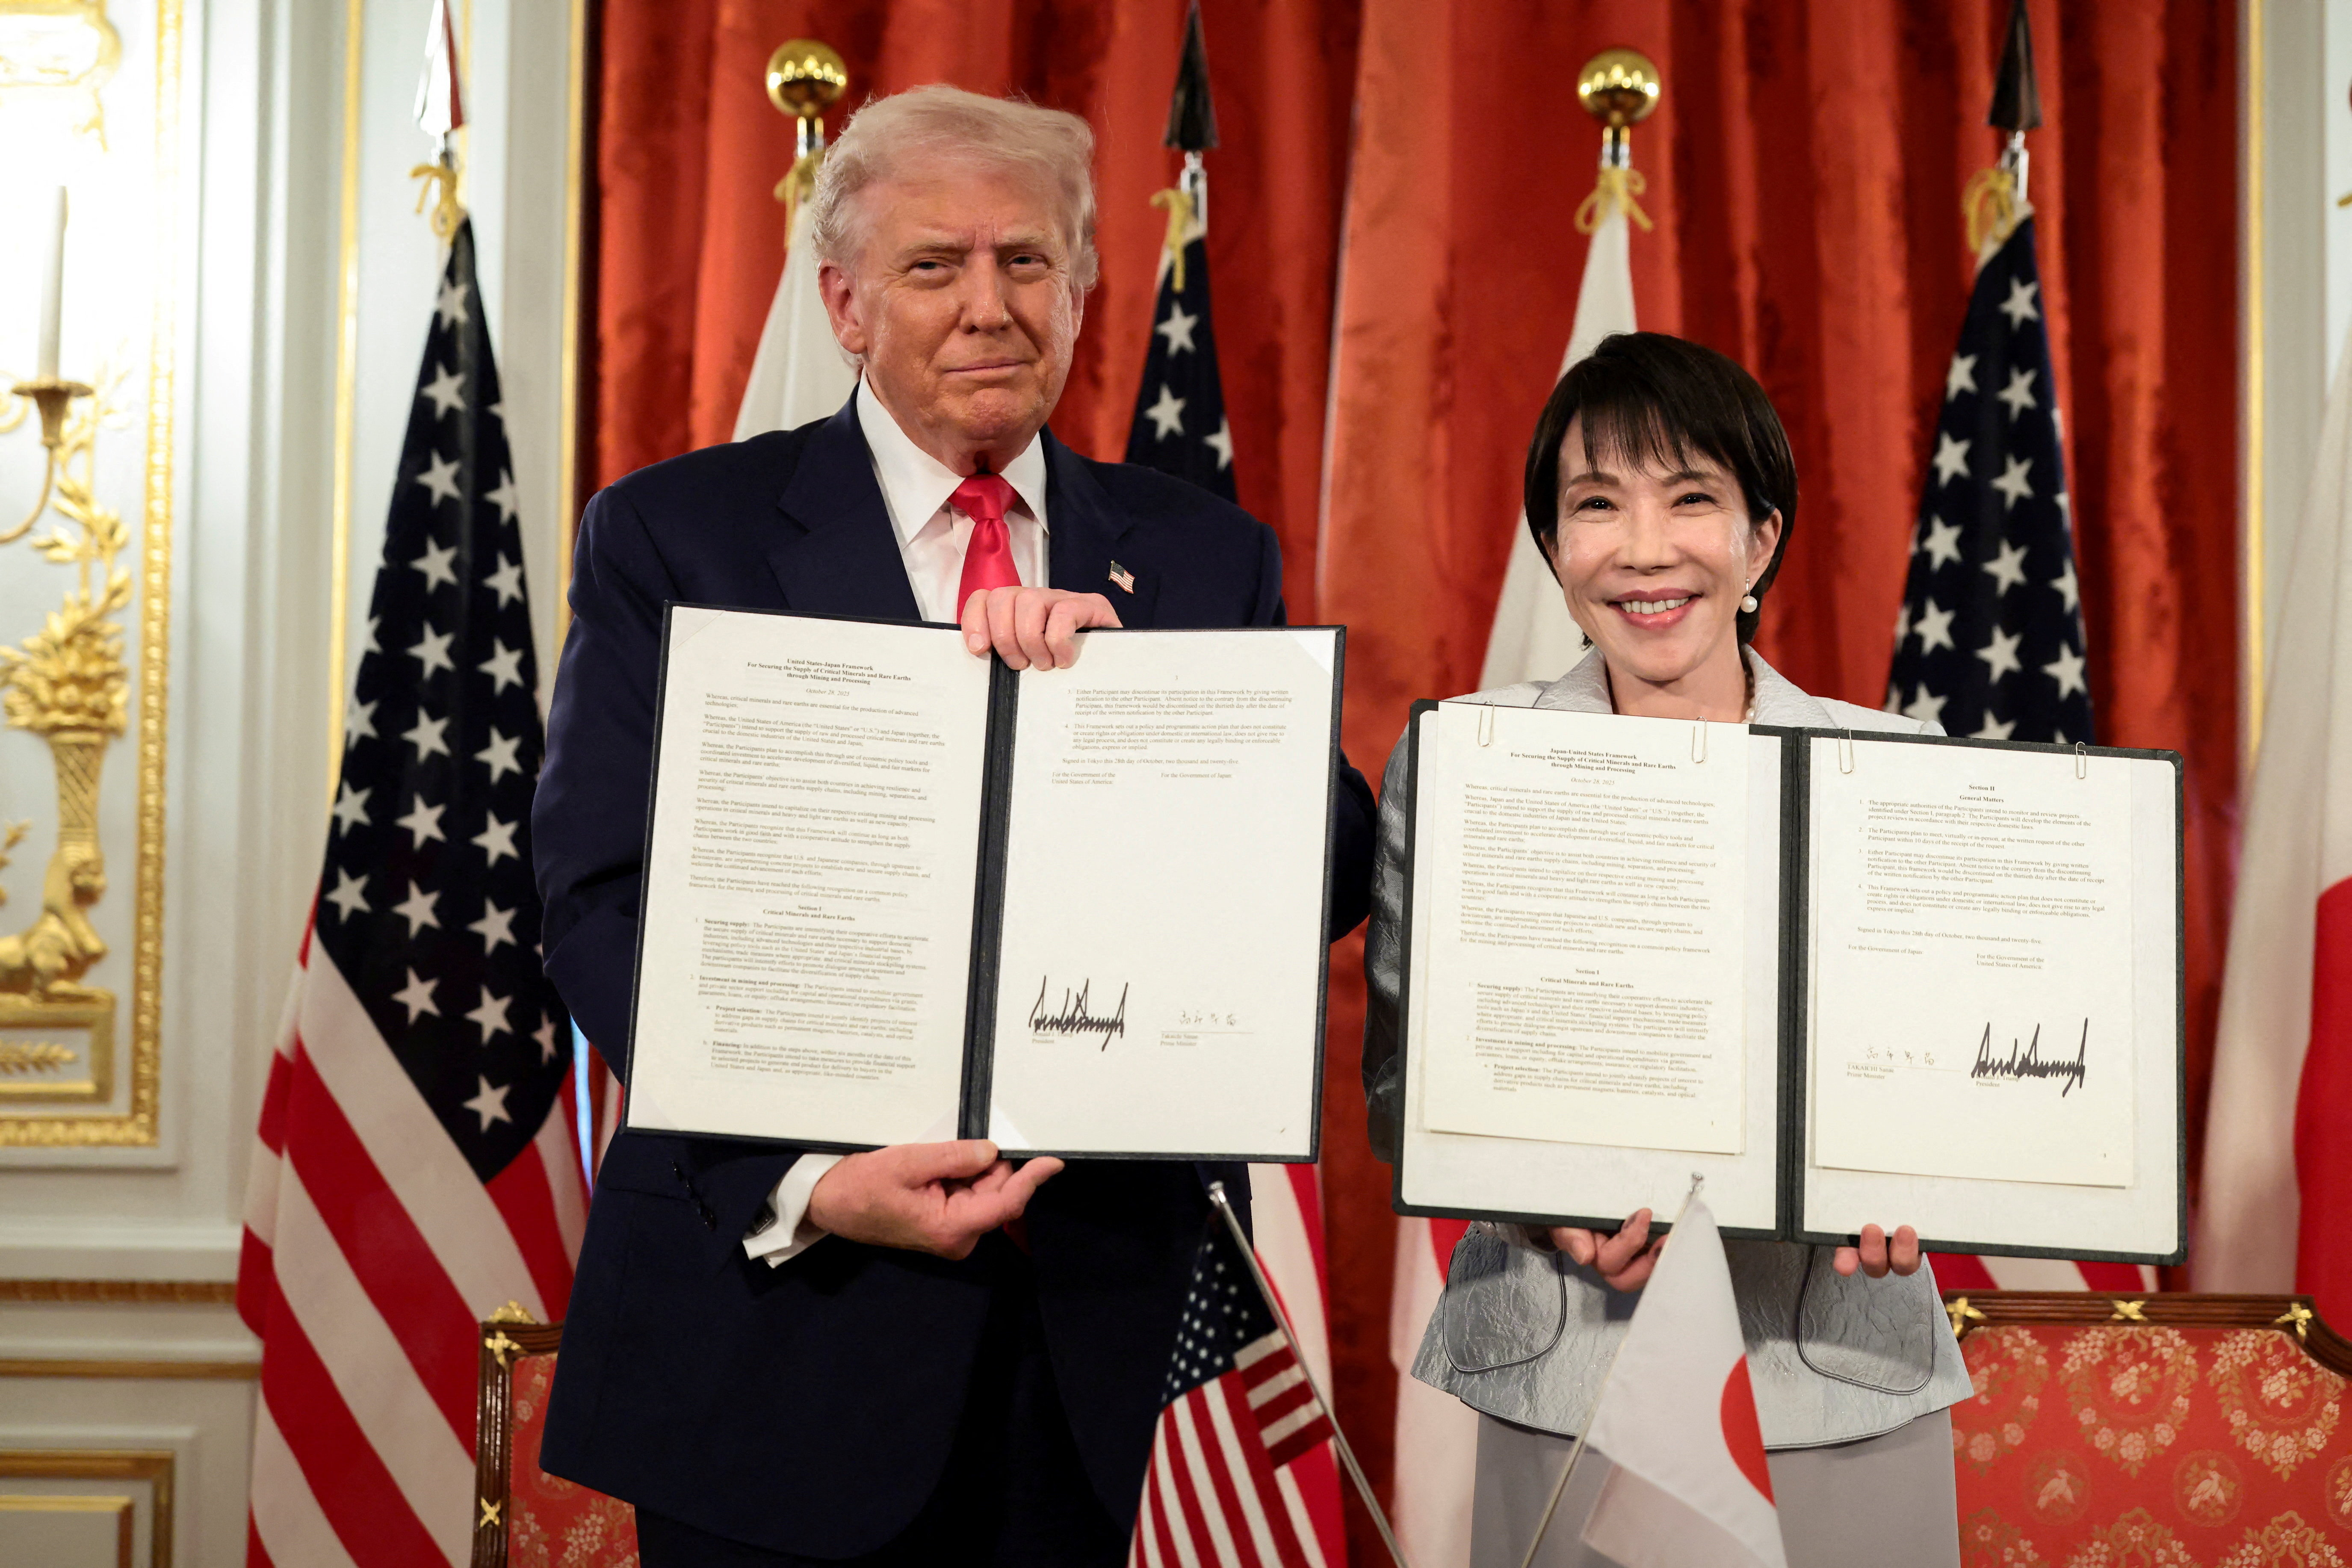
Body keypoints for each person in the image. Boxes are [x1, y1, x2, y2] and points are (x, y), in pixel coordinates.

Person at [533, 86, 1375, 1566]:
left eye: (1028, 262)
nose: (990, 306)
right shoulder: (679, 536)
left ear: (1081, 287)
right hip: (778, 1327)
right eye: (935, 267)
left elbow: (1326, 863)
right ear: (845, 304)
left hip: (1096, 1351)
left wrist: (1140, 705)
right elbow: (599, 902)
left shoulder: (1192, 553)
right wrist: (810, 1180)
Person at [1361, 332, 1973, 1568]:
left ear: (1759, 541)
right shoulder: (1467, 765)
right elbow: (1396, 1090)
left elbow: (1944, 1090)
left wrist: (1929, 1176)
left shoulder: (1897, 769)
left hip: (1839, 1367)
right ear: (1552, 549)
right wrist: (1538, 1209)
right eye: (1596, 505)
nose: (1644, 548)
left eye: (1691, 497)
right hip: (1570, 1366)